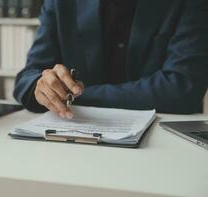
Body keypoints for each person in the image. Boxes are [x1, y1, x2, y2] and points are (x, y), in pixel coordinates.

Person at [13, 0, 208, 119]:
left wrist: (76, 96)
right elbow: (27, 78)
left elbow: (182, 89)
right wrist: (41, 87)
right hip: (74, 135)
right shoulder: (61, 2)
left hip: (161, 143)